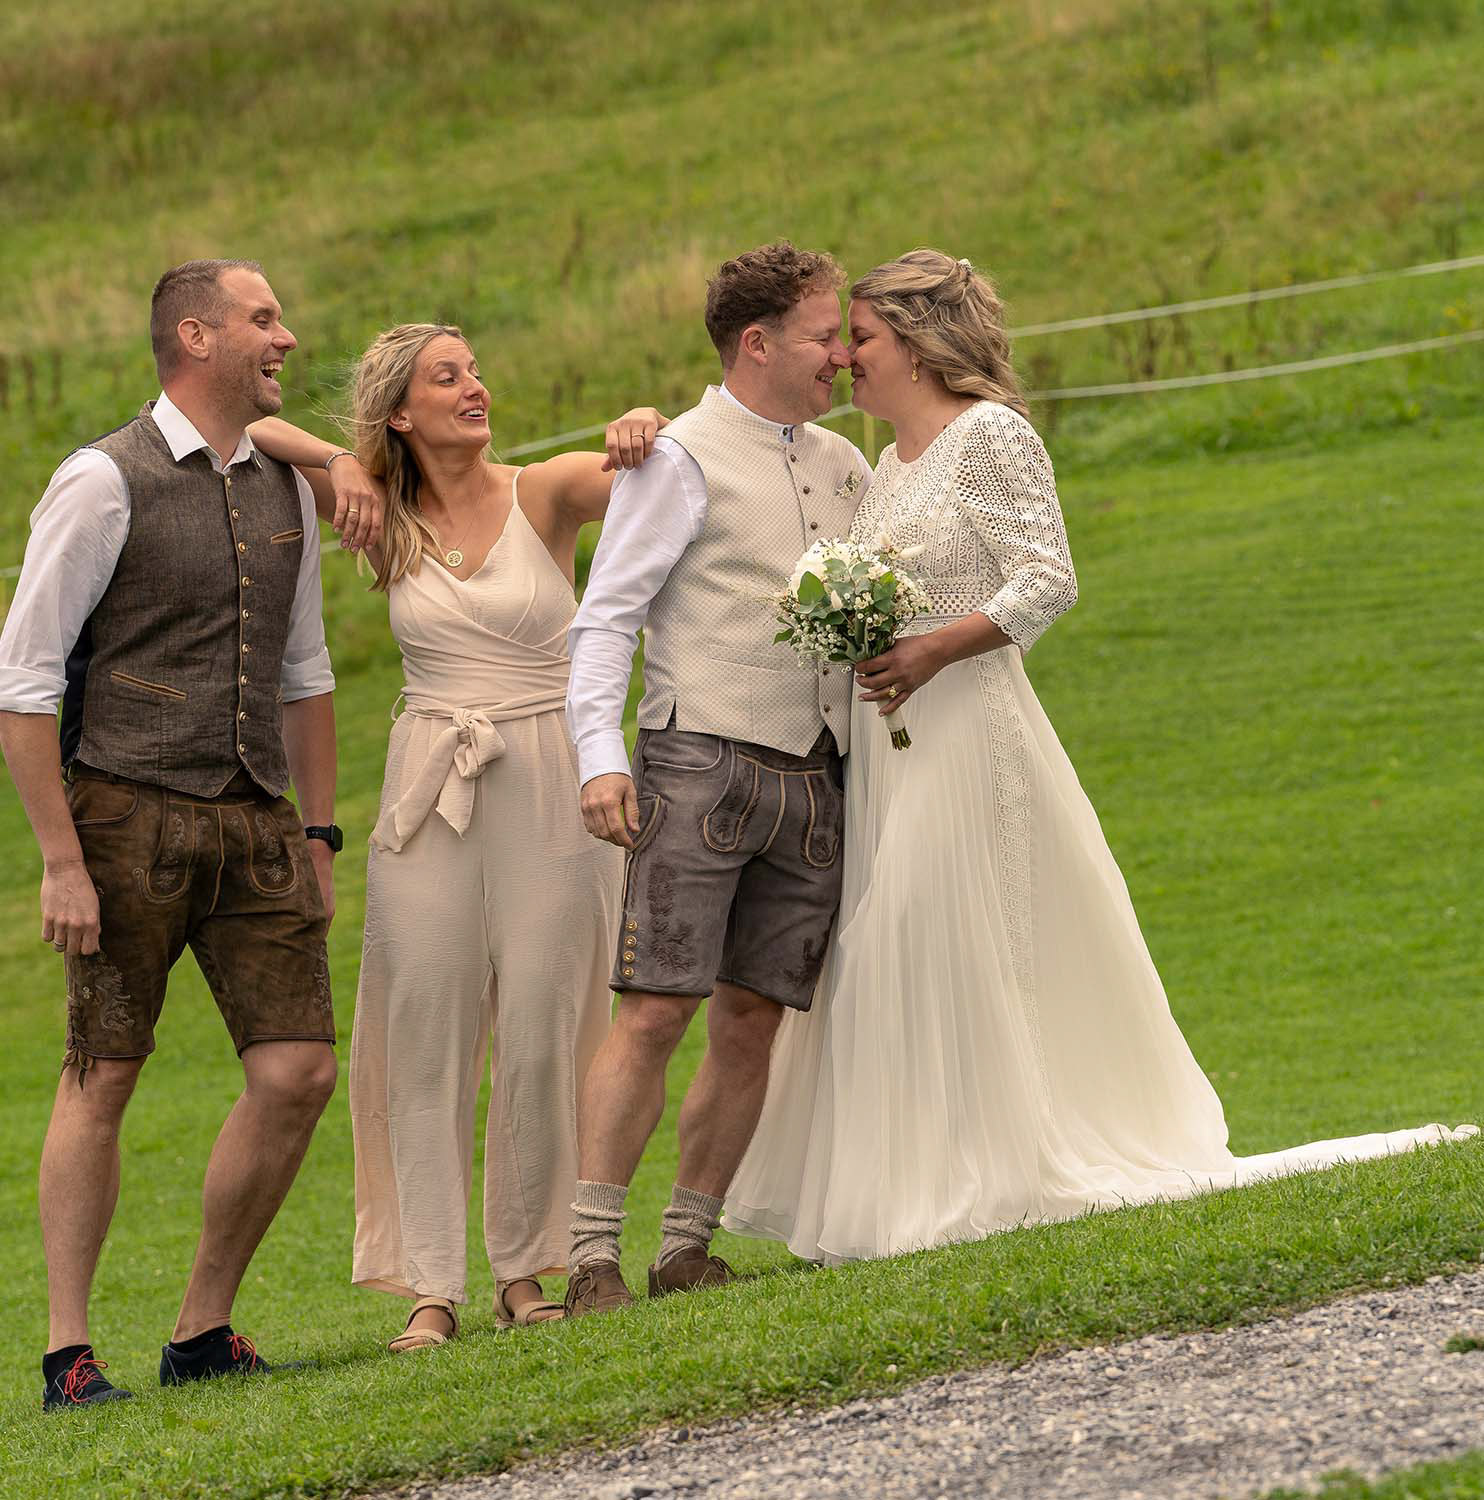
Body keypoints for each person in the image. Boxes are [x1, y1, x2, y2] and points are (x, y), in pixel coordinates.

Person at [723, 248, 1476, 1263]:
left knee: (947, 923)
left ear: (915, 342)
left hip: (969, 722)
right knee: (895, 933)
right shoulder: (887, 467)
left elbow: (1047, 580)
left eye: (862, 338)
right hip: (893, 746)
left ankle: (1002, 1163)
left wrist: (935, 648)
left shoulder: (989, 437)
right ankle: (921, 1172)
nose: (849, 359)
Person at [250, 326, 662, 1348]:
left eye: (475, 370)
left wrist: (647, 430)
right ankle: (433, 1283)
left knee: (544, 1021)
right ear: (401, 412)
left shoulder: (546, 492)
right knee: (421, 1021)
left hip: (556, 775)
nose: (476, 387)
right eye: (448, 377)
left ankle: (531, 1269)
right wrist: (338, 459)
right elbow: (248, 426)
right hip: (429, 784)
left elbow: (672, 481)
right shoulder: (374, 513)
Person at [0, 259, 341, 1409]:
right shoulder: (102, 480)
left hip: (256, 818)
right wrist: (57, 859)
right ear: (197, 336)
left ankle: (201, 1328)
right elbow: (24, 682)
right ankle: (66, 1350)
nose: (285, 337)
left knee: (298, 1072)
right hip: (123, 813)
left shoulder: (286, 487)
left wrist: (322, 832)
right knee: (104, 1072)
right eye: (264, 319)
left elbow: (306, 672)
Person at [564, 242, 872, 1313]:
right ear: (758, 342)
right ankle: (591, 1256)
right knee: (654, 1009)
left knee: (755, 1017)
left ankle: (685, 1246)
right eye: (825, 335)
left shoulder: (844, 463)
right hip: (699, 761)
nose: (841, 355)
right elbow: (606, 619)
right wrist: (601, 759)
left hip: (815, 776)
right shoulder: (677, 457)